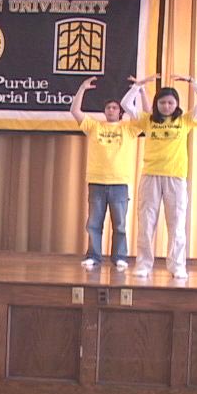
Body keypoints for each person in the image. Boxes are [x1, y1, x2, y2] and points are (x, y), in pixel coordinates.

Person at [121, 74, 197, 279]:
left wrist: (192, 82)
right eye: (162, 102)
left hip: (176, 177)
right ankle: (144, 265)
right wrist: (138, 86)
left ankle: (177, 265)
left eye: (170, 102)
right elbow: (126, 104)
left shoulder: (185, 120)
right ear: (156, 104)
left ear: (177, 104)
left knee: (177, 223)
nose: (166, 106)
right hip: (150, 176)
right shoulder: (148, 120)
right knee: (146, 223)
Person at [70, 76, 148, 270]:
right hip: (97, 181)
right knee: (94, 224)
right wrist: (82, 88)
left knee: (119, 225)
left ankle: (120, 257)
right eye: (108, 108)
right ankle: (93, 256)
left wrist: (142, 91)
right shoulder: (94, 127)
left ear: (121, 111)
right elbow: (75, 111)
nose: (111, 110)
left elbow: (147, 117)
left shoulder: (128, 128)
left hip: (119, 182)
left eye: (114, 108)